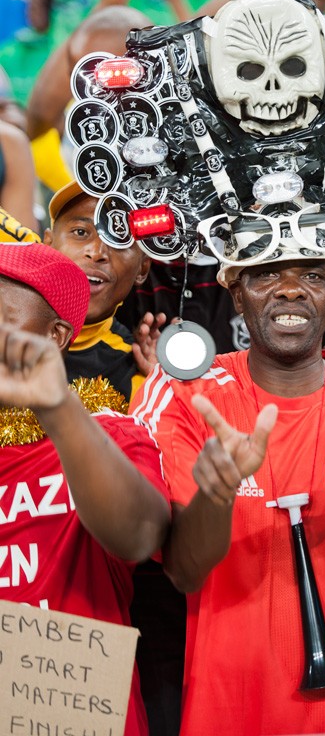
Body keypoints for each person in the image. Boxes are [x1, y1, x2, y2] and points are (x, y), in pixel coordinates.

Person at [131, 220, 325, 734]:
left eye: (313, 273)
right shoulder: (182, 395)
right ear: (235, 292)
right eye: (267, 272)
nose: (291, 289)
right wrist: (216, 493)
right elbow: (184, 572)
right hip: (228, 712)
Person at [0, 240, 171, 736]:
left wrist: (57, 408)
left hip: (70, 701)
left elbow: (141, 536)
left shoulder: (109, 434)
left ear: (55, 335)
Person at [42, 180, 161, 402]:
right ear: (47, 244)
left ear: (142, 268)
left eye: (119, 238)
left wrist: (162, 393)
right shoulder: (7, 324)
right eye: (80, 232)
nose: (97, 252)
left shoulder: (141, 378)